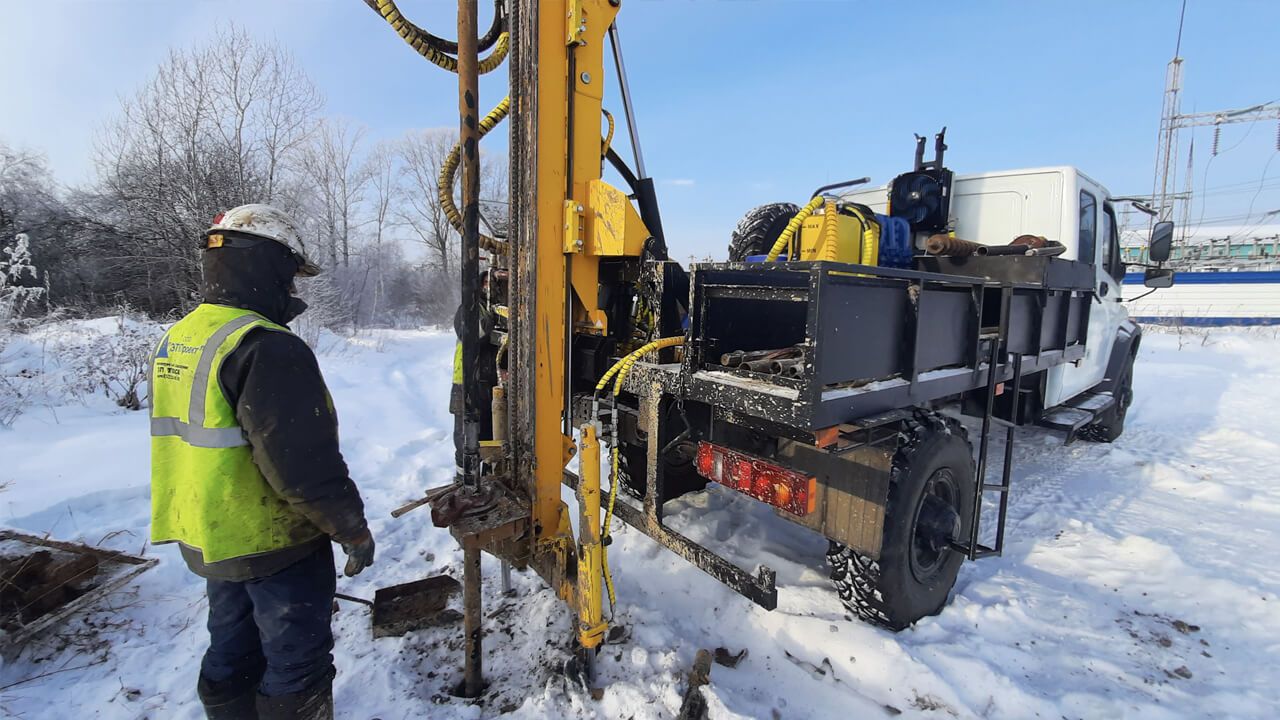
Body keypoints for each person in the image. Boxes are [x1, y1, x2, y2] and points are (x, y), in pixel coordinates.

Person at [149, 204, 375, 720]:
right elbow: (302, 466)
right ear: (267, 265)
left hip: (210, 532)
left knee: (232, 647)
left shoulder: (182, 336)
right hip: (274, 541)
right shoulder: (266, 346)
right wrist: (351, 529)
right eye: (291, 272)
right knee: (297, 662)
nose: (293, 288)